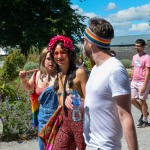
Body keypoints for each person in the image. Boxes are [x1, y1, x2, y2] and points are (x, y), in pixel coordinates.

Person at [66, 17, 138, 150]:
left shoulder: (115, 69)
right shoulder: (95, 69)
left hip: (104, 147)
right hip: (92, 144)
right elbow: (97, 103)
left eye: (84, 40)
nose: (83, 44)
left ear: (90, 43)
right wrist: (76, 102)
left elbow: (125, 116)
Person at [48, 35, 88, 150]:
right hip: (65, 123)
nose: (59, 56)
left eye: (63, 52)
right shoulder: (59, 75)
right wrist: (64, 99)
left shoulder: (79, 73)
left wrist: (75, 99)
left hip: (79, 122)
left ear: (70, 54)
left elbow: (91, 100)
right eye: (56, 53)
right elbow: (61, 103)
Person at [19, 48, 58, 150]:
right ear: (43, 60)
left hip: (58, 117)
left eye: (54, 59)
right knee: (43, 147)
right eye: (49, 58)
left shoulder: (61, 75)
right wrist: (24, 80)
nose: (51, 61)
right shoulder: (37, 74)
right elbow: (29, 88)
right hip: (43, 118)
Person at [131, 39, 150, 127]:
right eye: (136, 46)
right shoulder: (134, 57)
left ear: (143, 46)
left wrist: (144, 85)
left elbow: (147, 71)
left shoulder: (147, 57)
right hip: (134, 81)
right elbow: (133, 69)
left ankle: (145, 119)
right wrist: (131, 80)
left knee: (142, 100)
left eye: (138, 46)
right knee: (132, 99)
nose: (136, 47)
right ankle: (144, 112)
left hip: (143, 81)